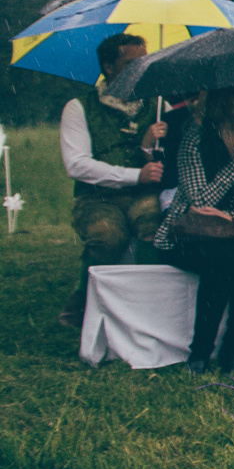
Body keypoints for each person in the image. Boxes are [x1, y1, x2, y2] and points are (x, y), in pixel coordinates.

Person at [151, 83, 234, 370]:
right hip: (191, 231)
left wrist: (233, 217)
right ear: (221, 96)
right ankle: (200, 352)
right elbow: (199, 200)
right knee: (223, 261)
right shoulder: (195, 135)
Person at [58, 32, 167, 329]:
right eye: (132, 62)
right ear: (108, 66)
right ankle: (83, 300)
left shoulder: (158, 106)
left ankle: (145, 306)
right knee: (108, 236)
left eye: (144, 61)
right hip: (95, 197)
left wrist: (149, 149)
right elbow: (77, 165)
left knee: (156, 229)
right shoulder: (79, 107)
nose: (141, 67)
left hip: (143, 195)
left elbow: (168, 158)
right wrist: (134, 175)